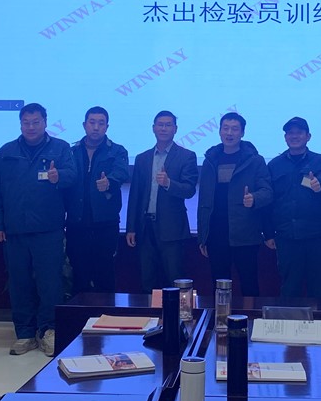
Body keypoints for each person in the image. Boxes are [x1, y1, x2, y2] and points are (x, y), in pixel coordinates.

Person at [0, 102, 78, 358]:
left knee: (51, 284)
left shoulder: (60, 148)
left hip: (49, 229)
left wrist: (58, 176)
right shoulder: (6, 151)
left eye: (36, 122)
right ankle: (25, 333)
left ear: (45, 123)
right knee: (19, 283)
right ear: (20, 124)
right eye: (26, 122)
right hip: (15, 230)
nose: (31, 127)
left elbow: (73, 175)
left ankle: (48, 330)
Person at [197, 112, 272, 296]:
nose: (229, 133)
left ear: (242, 133)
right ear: (220, 131)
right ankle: (221, 315)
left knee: (249, 284)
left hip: (245, 233)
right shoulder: (210, 160)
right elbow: (204, 201)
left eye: (234, 129)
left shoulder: (254, 160)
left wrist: (254, 198)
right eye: (225, 128)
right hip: (216, 233)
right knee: (219, 285)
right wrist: (203, 236)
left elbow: (268, 192)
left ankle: (251, 315)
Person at [264, 116, 321, 303]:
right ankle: (289, 323)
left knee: (319, 290)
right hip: (287, 238)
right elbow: (268, 201)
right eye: (290, 133)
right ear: (285, 137)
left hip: (318, 238)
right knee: (289, 289)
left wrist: (320, 184)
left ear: (308, 136)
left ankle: (319, 323)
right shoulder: (274, 165)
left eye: (299, 132)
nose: (294, 136)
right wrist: (268, 233)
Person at [125, 111, 200, 291]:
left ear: (175, 129)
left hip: (172, 229)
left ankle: (177, 311)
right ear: (153, 128)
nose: (163, 128)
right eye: (160, 125)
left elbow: (189, 190)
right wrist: (131, 228)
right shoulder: (142, 158)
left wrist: (168, 183)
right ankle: (150, 310)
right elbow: (135, 196)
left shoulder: (186, 156)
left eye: (168, 125)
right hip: (145, 228)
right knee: (147, 280)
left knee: (174, 280)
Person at [67, 106, 130, 294]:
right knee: (79, 275)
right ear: (84, 125)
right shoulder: (71, 151)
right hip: (76, 224)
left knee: (105, 275)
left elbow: (121, 172)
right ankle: (80, 313)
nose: (96, 127)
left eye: (101, 123)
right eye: (92, 122)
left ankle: (105, 312)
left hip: (105, 224)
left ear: (107, 127)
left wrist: (109, 182)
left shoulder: (117, 151)